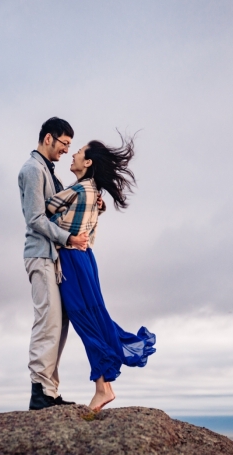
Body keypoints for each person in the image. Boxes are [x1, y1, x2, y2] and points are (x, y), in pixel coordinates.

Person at [45, 133, 156, 412]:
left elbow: (45, 213)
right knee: (93, 317)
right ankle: (105, 386)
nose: (73, 154)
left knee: (87, 321)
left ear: (88, 162)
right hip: (85, 260)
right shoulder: (94, 193)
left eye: (79, 152)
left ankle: (102, 387)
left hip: (72, 260)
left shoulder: (80, 190)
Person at [18, 117, 90, 410]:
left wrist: (94, 201)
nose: (65, 150)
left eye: (70, 146)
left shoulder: (49, 171)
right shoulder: (33, 169)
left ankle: (50, 391)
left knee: (59, 323)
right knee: (47, 322)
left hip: (53, 256)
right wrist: (69, 238)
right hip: (40, 254)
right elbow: (35, 218)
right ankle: (40, 393)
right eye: (64, 144)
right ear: (49, 138)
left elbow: (62, 204)